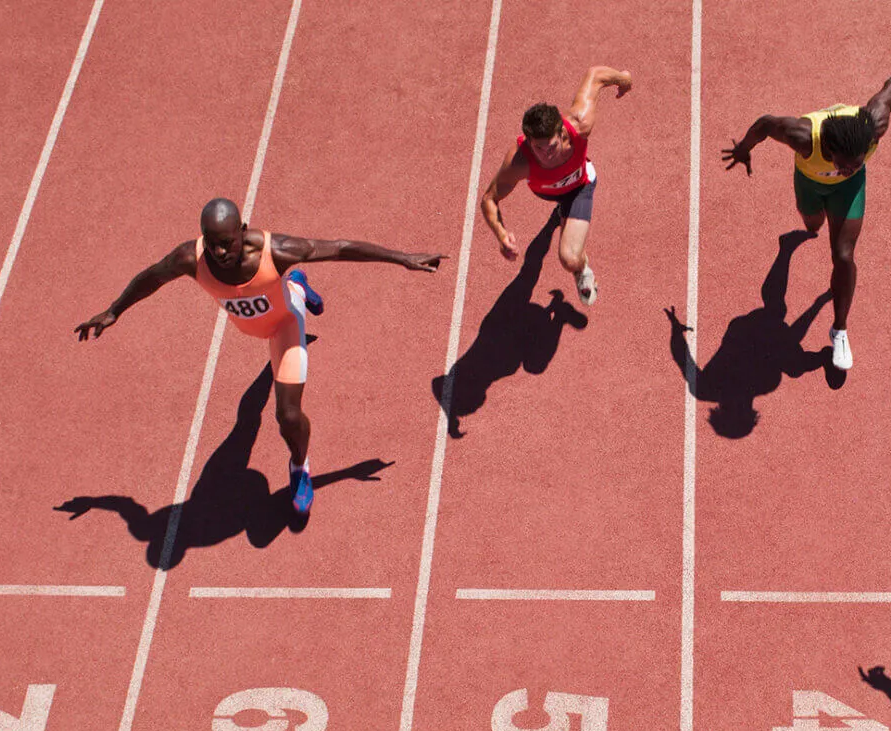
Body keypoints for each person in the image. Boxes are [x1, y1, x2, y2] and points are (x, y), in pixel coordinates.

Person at [75, 197, 444, 513]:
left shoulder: (277, 251)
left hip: (284, 324)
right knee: (245, 421)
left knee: (285, 414)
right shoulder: (190, 258)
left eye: (227, 243)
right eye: (212, 243)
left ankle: (300, 468)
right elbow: (150, 278)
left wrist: (403, 258)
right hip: (251, 325)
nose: (220, 253)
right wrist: (113, 311)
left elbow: (341, 247)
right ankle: (295, 286)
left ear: (243, 230)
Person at [719, 46, 891, 371]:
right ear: (829, 149)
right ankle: (787, 247)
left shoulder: (875, 125)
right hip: (809, 183)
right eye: (843, 165)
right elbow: (765, 125)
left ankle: (839, 329)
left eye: (855, 166)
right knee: (812, 226)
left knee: (843, 256)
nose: (847, 169)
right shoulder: (802, 137)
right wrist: (743, 149)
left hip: (846, 194)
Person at [481, 65, 633, 307]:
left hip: (579, 187)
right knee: (542, 244)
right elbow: (489, 198)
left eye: (550, 146)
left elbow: (596, 76)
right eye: (537, 148)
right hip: (548, 192)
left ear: (561, 132)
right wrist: (501, 235)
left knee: (568, 258)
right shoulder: (519, 162)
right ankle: (560, 215)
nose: (545, 155)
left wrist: (624, 79)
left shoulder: (579, 125)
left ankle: (581, 269)